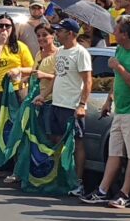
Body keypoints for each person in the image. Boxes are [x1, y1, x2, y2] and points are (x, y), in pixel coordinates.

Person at [82, 15, 130, 209]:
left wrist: (118, 66)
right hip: (120, 109)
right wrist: (109, 99)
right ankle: (103, 190)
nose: (113, 33)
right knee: (114, 151)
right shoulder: (120, 48)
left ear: (126, 34)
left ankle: (125, 193)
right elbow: (118, 80)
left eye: (117, 30)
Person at [31, 18, 92, 196]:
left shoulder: (80, 53)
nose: (57, 33)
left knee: (76, 143)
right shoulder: (61, 52)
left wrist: (82, 105)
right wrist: (43, 95)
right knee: (58, 141)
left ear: (71, 33)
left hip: (71, 105)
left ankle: (78, 182)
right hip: (57, 103)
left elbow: (88, 81)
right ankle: (63, 178)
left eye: (61, 30)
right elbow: (57, 76)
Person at [0, 13, 35, 180]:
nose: (4, 29)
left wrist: (19, 70)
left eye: (7, 26)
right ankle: (2, 166)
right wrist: (0, 44)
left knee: (16, 128)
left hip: (16, 92)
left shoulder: (20, 47)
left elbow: (31, 68)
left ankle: (17, 169)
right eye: (0, 26)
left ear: (13, 29)